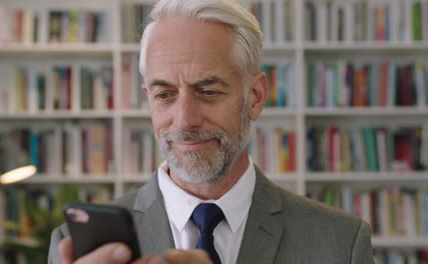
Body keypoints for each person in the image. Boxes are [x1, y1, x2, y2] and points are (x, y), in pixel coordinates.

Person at [48, 0, 374, 263]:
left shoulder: (341, 242)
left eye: (208, 91)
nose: (184, 120)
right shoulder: (78, 249)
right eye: (165, 94)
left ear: (255, 98)